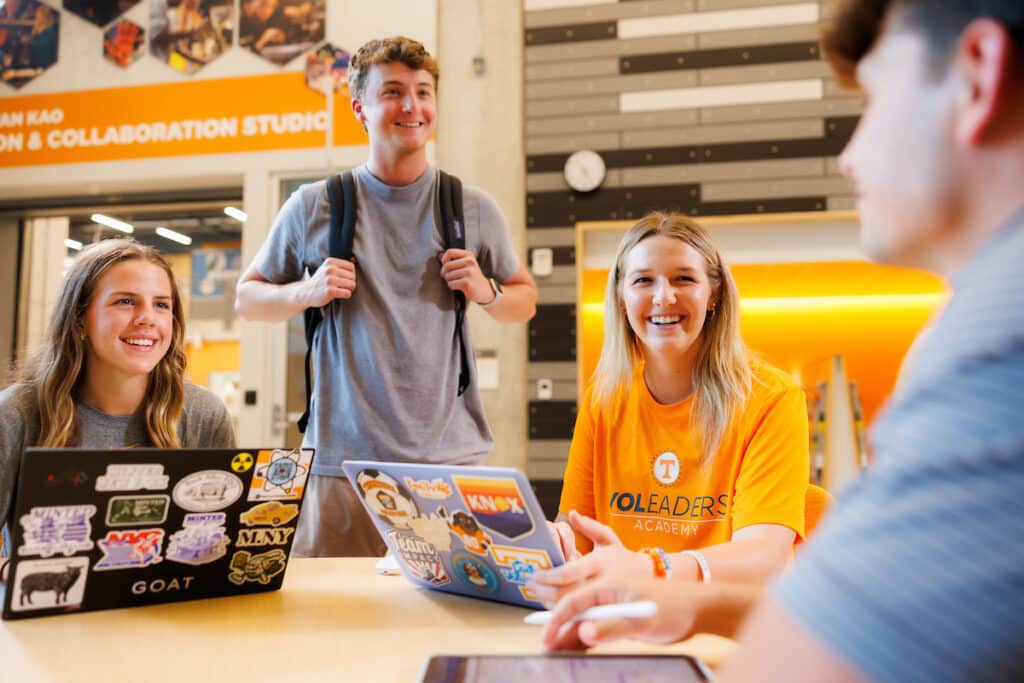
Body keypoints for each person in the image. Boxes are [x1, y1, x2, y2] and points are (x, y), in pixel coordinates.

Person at [540, 2, 1024, 681]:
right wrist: (680, 598)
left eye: (877, 97)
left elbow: (832, 643)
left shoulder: (995, 349)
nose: (850, 154)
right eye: (643, 281)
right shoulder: (977, 324)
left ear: (976, 76)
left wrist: (663, 577)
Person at [235, 36, 537, 557]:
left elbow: (524, 301)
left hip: (448, 465)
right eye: (393, 91)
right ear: (361, 108)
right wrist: (308, 290)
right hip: (341, 463)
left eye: (423, 91)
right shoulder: (315, 206)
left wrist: (486, 291)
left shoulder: (471, 206)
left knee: (442, 622)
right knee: (337, 630)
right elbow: (248, 299)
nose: (411, 106)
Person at [536, 212, 809, 596]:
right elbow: (577, 534)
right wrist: (550, 541)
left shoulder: (772, 399)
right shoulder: (605, 398)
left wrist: (652, 568)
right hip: (627, 615)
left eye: (684, 278)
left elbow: (764, 558)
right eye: (643, 280)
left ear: (713, 294)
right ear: (621, 296)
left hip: (725, 624)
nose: (663, 296)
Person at [0, 238, 236, 582]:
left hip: (168, 618)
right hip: (53, 624)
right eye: (125, 301)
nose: (146, 319)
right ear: (79, 320)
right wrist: (10, 568)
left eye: (161, 305)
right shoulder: (17, 413)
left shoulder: (203, 413)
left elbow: (223, 537)